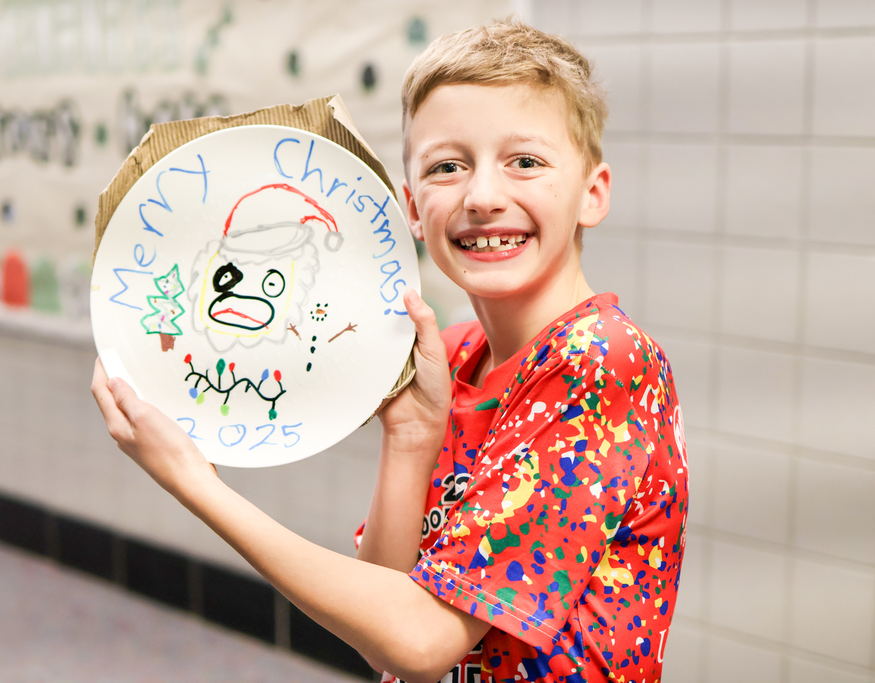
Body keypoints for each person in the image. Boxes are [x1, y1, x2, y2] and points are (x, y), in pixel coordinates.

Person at [92, 18, 688, 683]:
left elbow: (421, 639)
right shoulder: (456, 353)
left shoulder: (600, 361)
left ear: (593, 193)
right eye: (446, 167)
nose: (483, 196)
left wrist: (194, 483)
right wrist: (411, 434)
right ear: (410, 205)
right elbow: (383, 637)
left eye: (525, 161)